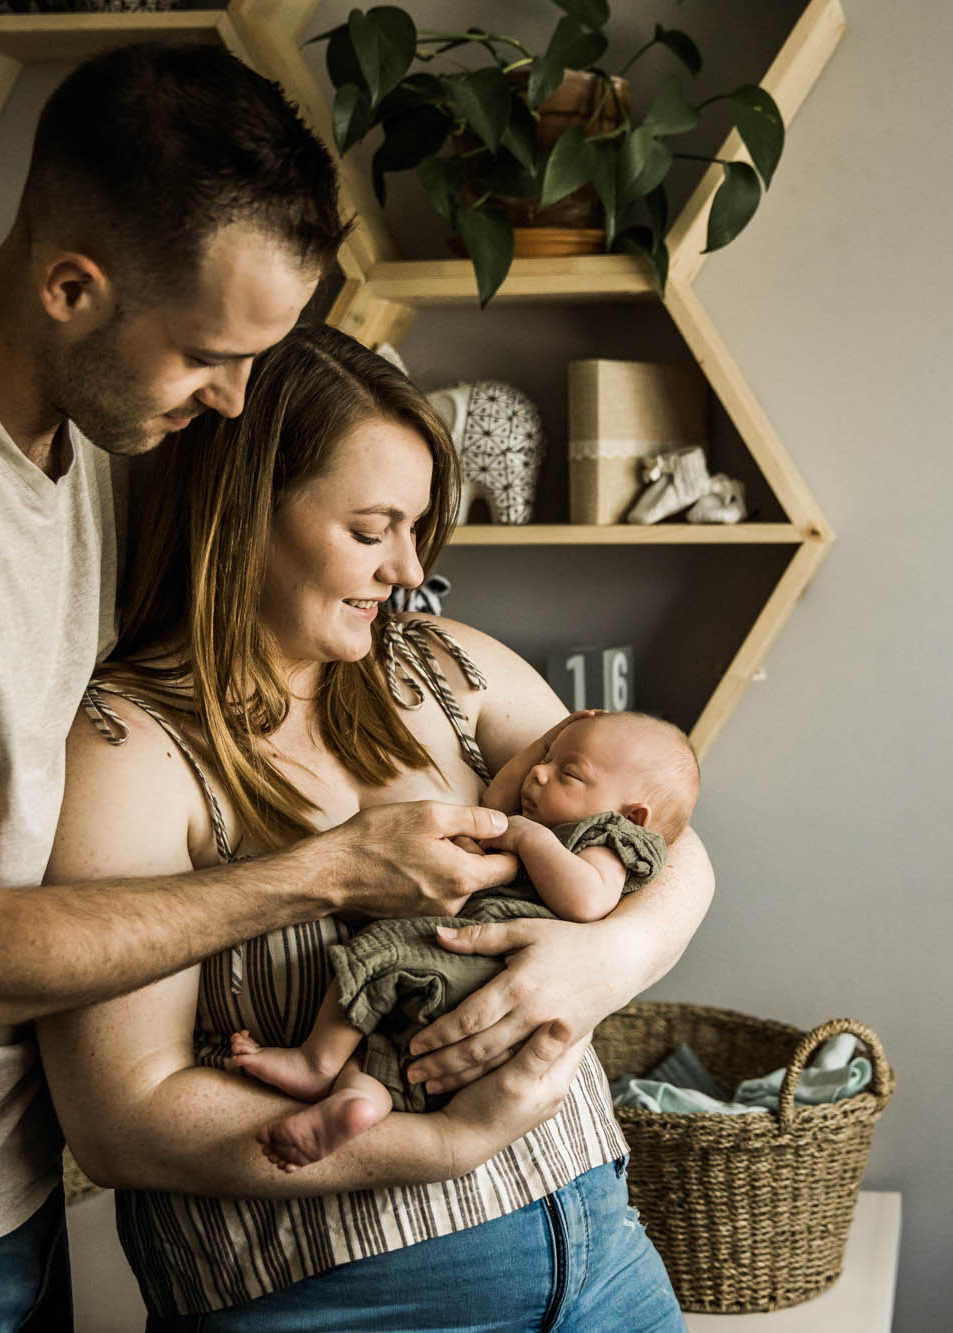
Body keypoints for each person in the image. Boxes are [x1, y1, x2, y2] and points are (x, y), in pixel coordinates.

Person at [0, 43, 538, 1332]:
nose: (233, 399)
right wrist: (333, 870)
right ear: (71, 286)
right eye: (209, 356)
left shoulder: (92, 412)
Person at [37, 324, 712, 1330]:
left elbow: (670, 843)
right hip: (347, 1302)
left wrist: (598, 962)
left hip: (603, 1249)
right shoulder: (126, 750)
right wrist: (443, 1146)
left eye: (415, 528)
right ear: (242, 513)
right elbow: (124, 1119)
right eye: (370, 529)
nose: (406, 570)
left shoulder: (441, 666)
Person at [230, 710, 702, 1171]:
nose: (538, 773)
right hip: (475, 976)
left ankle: (317, 1061)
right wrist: (547, 741)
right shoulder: (538, 810)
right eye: (547, 758)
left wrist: (530, 839)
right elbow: (496, 802)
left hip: (497, 964)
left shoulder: (611, 839)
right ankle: (356, 1104)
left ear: (634, 814)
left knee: (378, 953)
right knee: (387, 1049)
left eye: (568, 772)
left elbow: (589, 902)